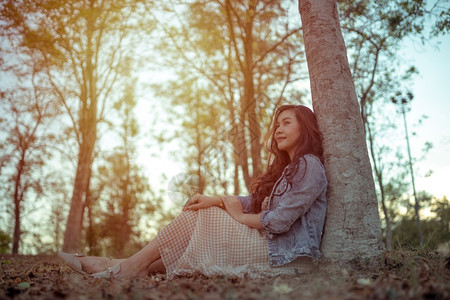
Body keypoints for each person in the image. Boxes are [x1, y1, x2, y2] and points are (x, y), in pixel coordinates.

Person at [58, 104, 328, 279]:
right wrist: (218, 200)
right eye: (277, 124)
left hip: (284, 256)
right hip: (273, 247)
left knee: (201, 217)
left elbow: (279, 221)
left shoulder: (309, 165)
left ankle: (123, 267)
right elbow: (253, 201)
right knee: (199, 219)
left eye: (287, 123)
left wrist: (238, 216)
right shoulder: (289, 169)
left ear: (305, 127)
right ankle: (117, 265)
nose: (278, 129)